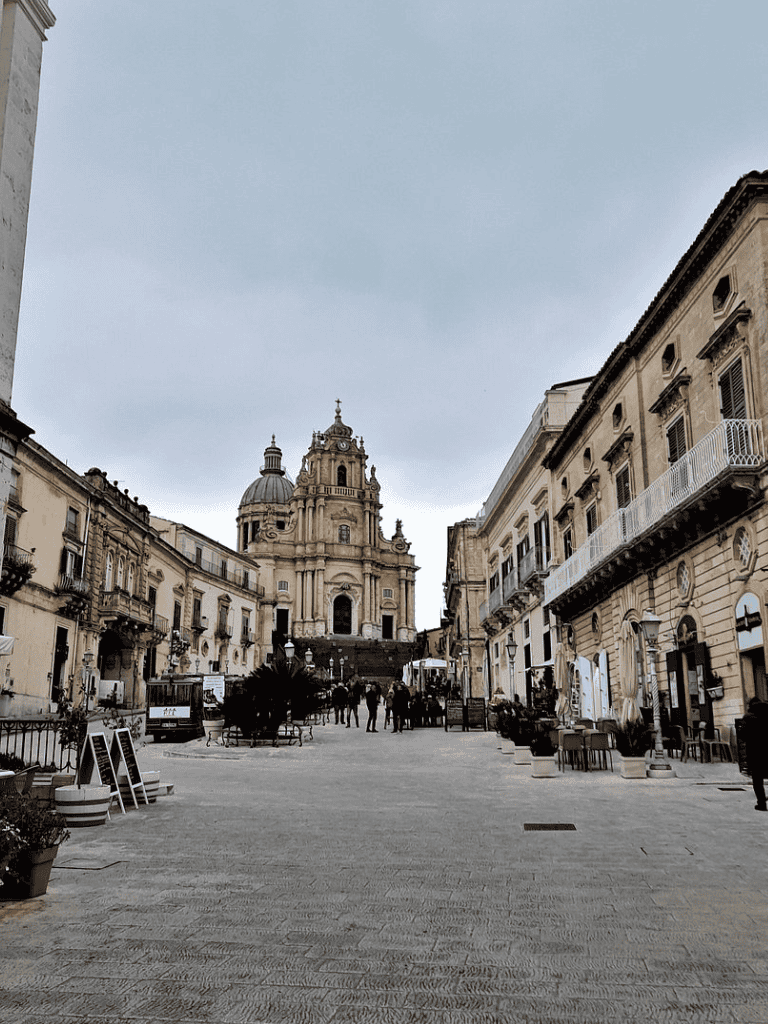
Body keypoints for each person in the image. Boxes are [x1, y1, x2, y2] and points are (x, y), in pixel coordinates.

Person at [742, 696, 768, 811]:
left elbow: (742, 735)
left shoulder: (748, 717)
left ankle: (761, 803)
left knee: (757, 780)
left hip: (755, 752)